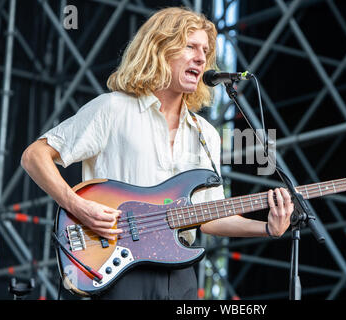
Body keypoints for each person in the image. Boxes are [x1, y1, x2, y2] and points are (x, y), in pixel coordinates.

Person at [20, 7, 293, 300]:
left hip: (178, 273)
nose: (201, 58)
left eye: (205, 50)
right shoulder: (113, 109)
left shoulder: (205, 133)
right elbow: (34, 156)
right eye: (190, 47)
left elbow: (209, 217)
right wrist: (77, 205)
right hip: (115, 265)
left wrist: (267, 227)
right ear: (160, 49)